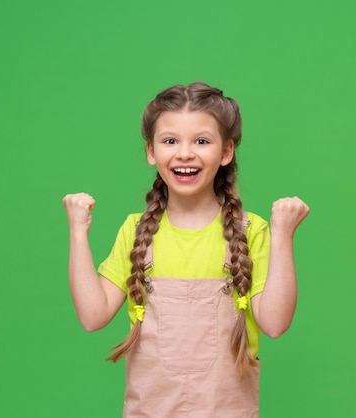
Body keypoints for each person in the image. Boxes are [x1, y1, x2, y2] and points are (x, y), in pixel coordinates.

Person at [63, 82, 309, 417]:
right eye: (170, 141)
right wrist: (78, 232)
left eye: (202, 141)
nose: (185, 153)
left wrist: (282, 236)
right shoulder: (136, 232)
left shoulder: (252, 232)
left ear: (226, 152)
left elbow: (275, 324)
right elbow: (93, 316)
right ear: (151, 151)